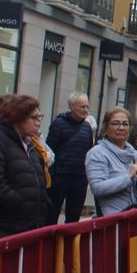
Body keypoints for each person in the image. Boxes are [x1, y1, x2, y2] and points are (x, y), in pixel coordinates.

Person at [0, 95, 52, 243]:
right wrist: (20, 204)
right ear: (18, 117)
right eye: (34, 117)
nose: (38, 122)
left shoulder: (29, 144)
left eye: (40, 117)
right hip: (1, 227)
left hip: (24, 225)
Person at [85, 107, 137, 215]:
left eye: (125, 124)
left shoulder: (131, 151)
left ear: (130, 128)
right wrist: (128, 176)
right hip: (113, 220)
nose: (121, 128)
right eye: (115, 123)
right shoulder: (97, 153)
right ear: (106, 128)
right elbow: (97, 188)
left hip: (135, 215)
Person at [46, 92, 93, 223]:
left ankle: (69, 243)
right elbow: (49, 151)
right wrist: (53, 175)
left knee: (74, 217)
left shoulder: (87, 127)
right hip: (59, 178)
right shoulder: (58, 124)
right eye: (82, 107)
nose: (85, 110)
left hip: (79, 179)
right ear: (71, 107)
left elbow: (89, 152)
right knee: (51, 214)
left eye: (87, 107)